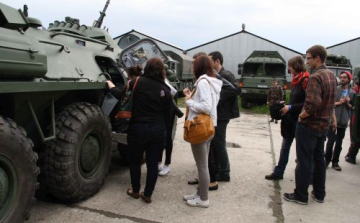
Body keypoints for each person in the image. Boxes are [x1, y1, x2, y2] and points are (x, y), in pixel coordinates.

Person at [284, 45, 337, 205]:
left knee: (304, 161)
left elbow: (312, 105)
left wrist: (301, 115)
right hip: (323, 126)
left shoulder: (315, 77)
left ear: (317, 58)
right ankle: (319, 193)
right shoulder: (331, 76)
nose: (307, 62)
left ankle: (301, 195)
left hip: (309, 126)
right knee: (319, 160)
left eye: (308, 58)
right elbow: (330, 102)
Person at [124, 58, 173, 204]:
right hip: (157, 130)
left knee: (135, 161)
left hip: (137, 128)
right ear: (162, 70)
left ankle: (135, 190)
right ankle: (147, 194)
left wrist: (111, 86)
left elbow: (122, 95)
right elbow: (168, 114)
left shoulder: (136, 82)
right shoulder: (165, 89)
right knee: (152, 164)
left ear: (147, 68)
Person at [183, 55, 222, 208]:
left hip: (201, 127)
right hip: (209, 126)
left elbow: (206, 106)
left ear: (198, 67)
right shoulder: (210, 82)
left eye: (194, 64)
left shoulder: (203, 83)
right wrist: (190, 97)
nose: (192, 67)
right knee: (202, 164)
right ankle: (199, 193)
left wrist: (190, 102)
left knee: (202, 165)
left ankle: (203, 198)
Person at [265, 56, 309, 181]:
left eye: (290, 66)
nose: (289, 69)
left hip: (301, 121)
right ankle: (279, 172)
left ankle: (306, 176)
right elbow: (297, 100)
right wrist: (286, 104)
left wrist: (290, 107)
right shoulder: (295, 81)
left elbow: (307, 103)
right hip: (290, 120)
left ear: (296, 66)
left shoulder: (305, 80)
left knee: (301, 151)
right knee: (285, 147)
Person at [207, 51, 241, 184]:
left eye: (210, 61)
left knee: (219, 144)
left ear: (217, 61)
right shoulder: (215, 75)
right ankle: (216, 169)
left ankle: (225, 173)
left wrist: (218, 98)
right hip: (216, 114)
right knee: (214, 143)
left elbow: (236, 89)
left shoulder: (226, 75)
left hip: (222, 115)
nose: (209, 64)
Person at [325, 71, 355, 171]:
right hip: (333, 121)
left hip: (343, 122)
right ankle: (326, 160)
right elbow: (329, 104)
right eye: (341, 77)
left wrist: (347, 103)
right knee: (330, 142)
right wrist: (339, 102)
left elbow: (353, 108)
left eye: (344, 77)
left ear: (349, 79)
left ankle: (335, 162)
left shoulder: (352, 93)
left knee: (339, 143)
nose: (342, 79)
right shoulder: (335, 90)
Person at [158, 67, 184, 176]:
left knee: (168, 138)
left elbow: (171, 95)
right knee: (159, 139)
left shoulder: (165, 82)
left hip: (168, 114)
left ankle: (166, 164)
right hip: (161, 114)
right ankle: (159, 162)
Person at [345, 77, 360, 164]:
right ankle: (351, 154)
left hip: (356, 117)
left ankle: (351, 155)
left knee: (355, 135)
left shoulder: (356, 93)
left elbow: (354, 107)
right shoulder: (356, 92)